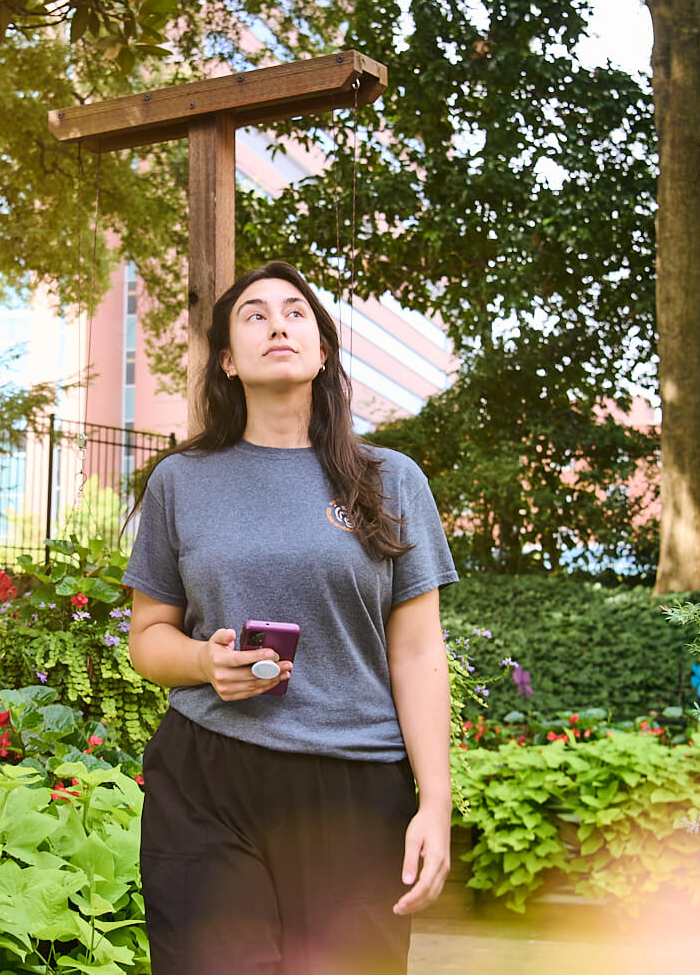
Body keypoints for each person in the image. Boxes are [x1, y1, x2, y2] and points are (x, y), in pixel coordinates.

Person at [124, 260, 458, 975]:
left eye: (296, 312)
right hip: (208, 778)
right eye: (254, 314)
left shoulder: (389, 480)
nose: (278, 322)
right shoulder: (180, 481)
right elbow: (148, 639)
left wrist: (435, 802)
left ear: (323, 351)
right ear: (226, 360)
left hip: (354, 787)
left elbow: (419, 652)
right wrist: (203, 662)